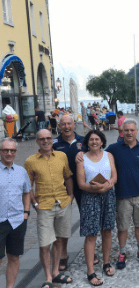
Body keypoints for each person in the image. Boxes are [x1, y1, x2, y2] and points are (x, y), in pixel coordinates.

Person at [25, 129, 74, 288]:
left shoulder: (61, 156)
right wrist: (35, 203)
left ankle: (55, 272)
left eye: (48, 138)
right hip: (44, 206)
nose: (46, 141)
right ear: (37, 142)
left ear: (52, 140)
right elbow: (28, 186)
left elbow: (67, 176)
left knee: (60, 239)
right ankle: (47, 277)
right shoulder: (30, 161)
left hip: (62, 203)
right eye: (42, 139)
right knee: (45, 244)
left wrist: (71, 195)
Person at [106, 119, 139, 268]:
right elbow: (98, 156)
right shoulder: (114, 149)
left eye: (132, 130)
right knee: (122, 226)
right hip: (122, 195)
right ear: (122, 132)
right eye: (126, 130)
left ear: (137, 131)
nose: (129, 133)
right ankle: (122, 252)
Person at [76, 130, 117, 286]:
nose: (94, 142)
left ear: (102, 141)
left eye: (97, 139)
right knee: (91, 234)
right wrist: (97, 188)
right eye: (91, 139)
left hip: (108, 196)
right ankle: (90, 271)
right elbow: (81, 183)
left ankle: (106, 263)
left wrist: (107, 186)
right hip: (90, 197)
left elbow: (114, 176)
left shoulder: (109, 156)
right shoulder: (82, 159)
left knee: (107, 230)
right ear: (87, 142)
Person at [52, 115, 89, 271]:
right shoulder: (54, 143)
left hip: (83, 186)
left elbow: (94, 157)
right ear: (59, 126)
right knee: (63, 223)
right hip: (61, 187)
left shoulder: (84, 141)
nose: (66, 126)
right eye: (63, 124)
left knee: (87, 219)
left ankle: (91, 252)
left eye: (69, 123)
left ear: (74, 124)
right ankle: (63, 255)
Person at [0, 138, 31, 288]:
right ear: (0, 152)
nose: (9, 153)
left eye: (12, 150)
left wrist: (26, 214)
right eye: (6, 150)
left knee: (14, 257)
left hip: (17, 221)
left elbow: (27, 192)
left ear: (16, 152)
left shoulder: (21, 171)